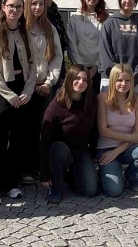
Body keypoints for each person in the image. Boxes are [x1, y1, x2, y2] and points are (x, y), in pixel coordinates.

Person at [0, 0, 38, 206]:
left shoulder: (26, 33)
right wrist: (8, 94)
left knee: (17, 139)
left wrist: (28, 89)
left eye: (18, 7)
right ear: (3, 7)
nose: (14, 10)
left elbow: (33, 64)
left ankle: (12, 183)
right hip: (3, 90)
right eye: (11, 6)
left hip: (22, 89)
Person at [39, 64, 99, 204]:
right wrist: (44, 173)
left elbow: (95, 131)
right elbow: (44, 140)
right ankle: (56, 188)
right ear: (70, 79)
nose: (81, 83)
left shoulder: (92, 100)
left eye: (85, 80)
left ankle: (70, 175)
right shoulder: (57, 104)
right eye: (77, 78)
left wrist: (96, 155)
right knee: (59, 149)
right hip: (60, 150)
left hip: (81, 150)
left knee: (90, 190)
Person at [96, 64, 138, 196]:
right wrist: (130, 138)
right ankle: (106, 172)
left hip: (129, 148)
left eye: (127, 80)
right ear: (112, 81)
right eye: (119, 80)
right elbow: (103, 131)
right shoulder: (102, 98)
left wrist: (117, 150)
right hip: (106, 149)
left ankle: (132, 176)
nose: (123, 84)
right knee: (114, 191)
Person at [23, 0, 63, 181]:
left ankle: (42, 167)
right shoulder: (22, 28)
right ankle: (27, 167)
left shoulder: (50, 28)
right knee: (26, 129)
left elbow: (57, 58)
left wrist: (48, 82)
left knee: (44, 128)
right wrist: (30, 86)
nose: (37, 7)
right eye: (33, 4)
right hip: (26, 88)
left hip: (45, 86)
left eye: (40, 4)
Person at [98, 0, 138, 95]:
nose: (128, 0)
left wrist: (131, 79)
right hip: (110, 79)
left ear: (135, 0)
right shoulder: (109, 24)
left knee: (132, 112)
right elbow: (105, 54)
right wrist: (118, 78)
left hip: (135, 82)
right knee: (109, 112)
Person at [67, 0, 108, 93]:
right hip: (78, 70)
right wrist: (82, 70)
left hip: (97, 70)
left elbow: (104, 46)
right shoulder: (74, 19)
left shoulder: (105, 20)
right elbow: (72, 45)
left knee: (94, 104)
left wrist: (95, 67)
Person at [36, 0, 68, 90]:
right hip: (40, 72)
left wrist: (62, 73)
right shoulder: (36, 15)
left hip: (56, 67)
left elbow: (60, 46)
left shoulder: (57, 14)